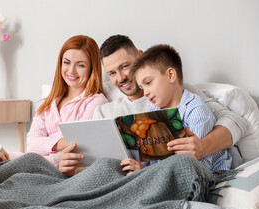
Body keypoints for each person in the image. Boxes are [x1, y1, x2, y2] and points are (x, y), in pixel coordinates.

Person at [58, 34, 246, 176]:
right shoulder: (103, 111)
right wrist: (70, 169)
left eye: (125, 66)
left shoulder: (176, 92)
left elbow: (235, 121)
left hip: (159, 178)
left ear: (140, 57)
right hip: (119, 181)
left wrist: (204, 147)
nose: (121, 78)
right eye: (112, 73)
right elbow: (95, 169)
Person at [125, 44, 232, 175]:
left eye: (148, 83)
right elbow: (148, 160)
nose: (145, 92)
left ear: (170, 75)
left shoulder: (196, 111)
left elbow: (195, 168)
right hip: (162, 175)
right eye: (142, 88)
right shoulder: (153, 112)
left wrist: (146, 174)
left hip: (202, 175)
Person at [26, 35, 108, 167]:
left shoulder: (96, 102)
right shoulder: (46, 103)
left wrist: (46, 158)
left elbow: (80, 148)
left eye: (80, 65)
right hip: (35, 164)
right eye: (66, 62)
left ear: (92, 69)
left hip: (56, 170)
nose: (71, 71)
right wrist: (63, 142)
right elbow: (31, 145)